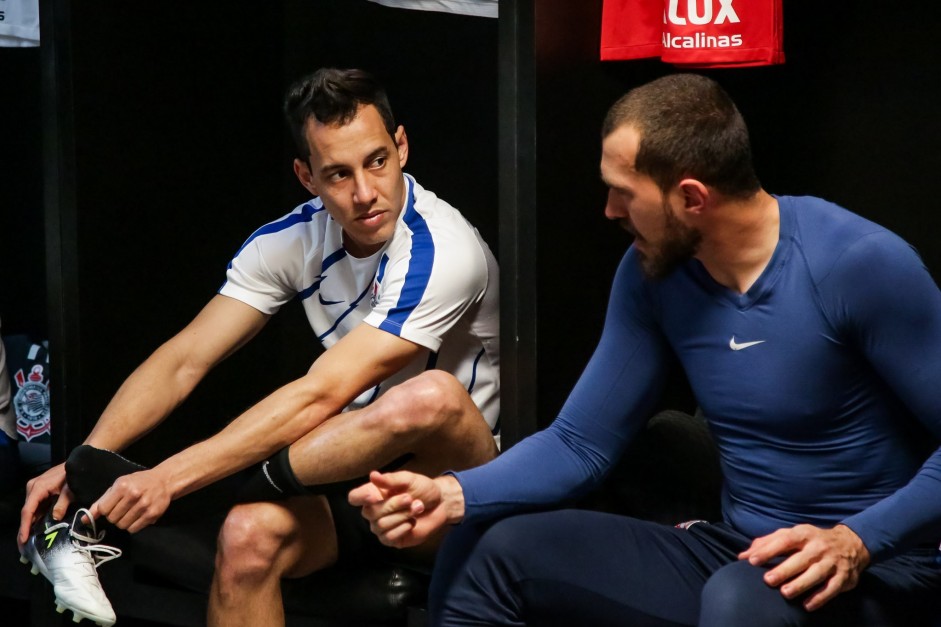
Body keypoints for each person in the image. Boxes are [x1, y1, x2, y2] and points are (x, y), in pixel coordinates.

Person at [350, 73, 941, 626]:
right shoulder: (653, 274)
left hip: (879, 564)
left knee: (743, 599)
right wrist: (453, 493)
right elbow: (581, 442)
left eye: (623, 194)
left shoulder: (857, 265)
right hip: (740, 552)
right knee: (488, 542)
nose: (609, 211)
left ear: (691, 197)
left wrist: (856, 540)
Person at [18, 67, 500, 627]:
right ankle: (78, 522)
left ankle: (184, 493)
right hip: (351, 472)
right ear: (306, 176)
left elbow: (322, 393)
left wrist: (169, 478)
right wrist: (85, 462)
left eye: (377, 161)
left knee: (427, 396)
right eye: (337, 174)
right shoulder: (290, 241)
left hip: (455, 486)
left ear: (402, 146)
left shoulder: (443, 250)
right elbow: (184, 359)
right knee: (246, 537)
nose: (365, 193)